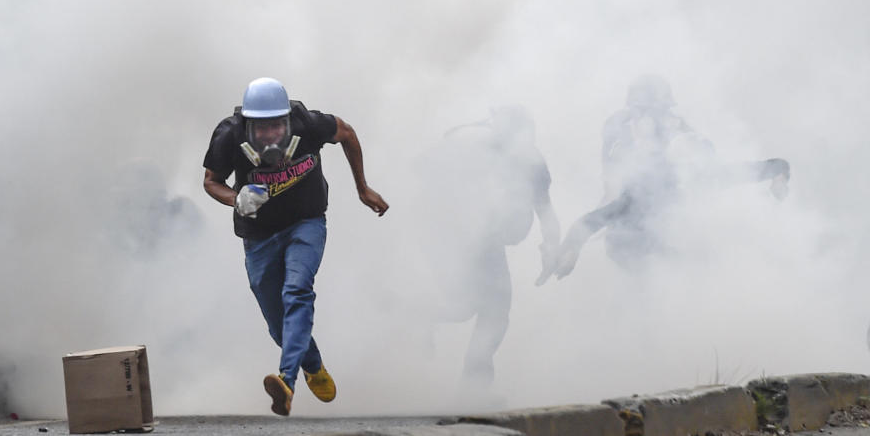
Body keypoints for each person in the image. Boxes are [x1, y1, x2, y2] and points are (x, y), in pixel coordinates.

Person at [202, 77, 388, 417]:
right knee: (278, 324)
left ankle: (286, 381)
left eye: (277, 126)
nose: (271, 135)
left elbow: (346, 133)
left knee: (297, 291)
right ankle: (312, 364)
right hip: (258, 237)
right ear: (248, 126)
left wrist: (362, 187)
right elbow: (211, 181)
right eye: (262, 129)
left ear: (287, 119)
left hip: (306, 223)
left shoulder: (308, 123)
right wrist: (236, 199)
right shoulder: (228, 135)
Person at [552, 75, 790, 278]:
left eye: (657, 112)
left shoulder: (703, 171)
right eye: (644, 112)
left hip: (667, 242)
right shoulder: (644, 185)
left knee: (701, 266)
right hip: (631, 247)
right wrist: (572, 250)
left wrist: (780, 176)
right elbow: (594, 218)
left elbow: (758, 169)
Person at [420, 105, 560, 390]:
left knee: (469, 307)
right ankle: (475, 384)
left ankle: (414, 315)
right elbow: (420, 181)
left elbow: (545, 209)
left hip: (484, 239)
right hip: (454, 234)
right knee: (486, 308)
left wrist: (552, 247)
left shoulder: (530, 161)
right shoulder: (468, 150)